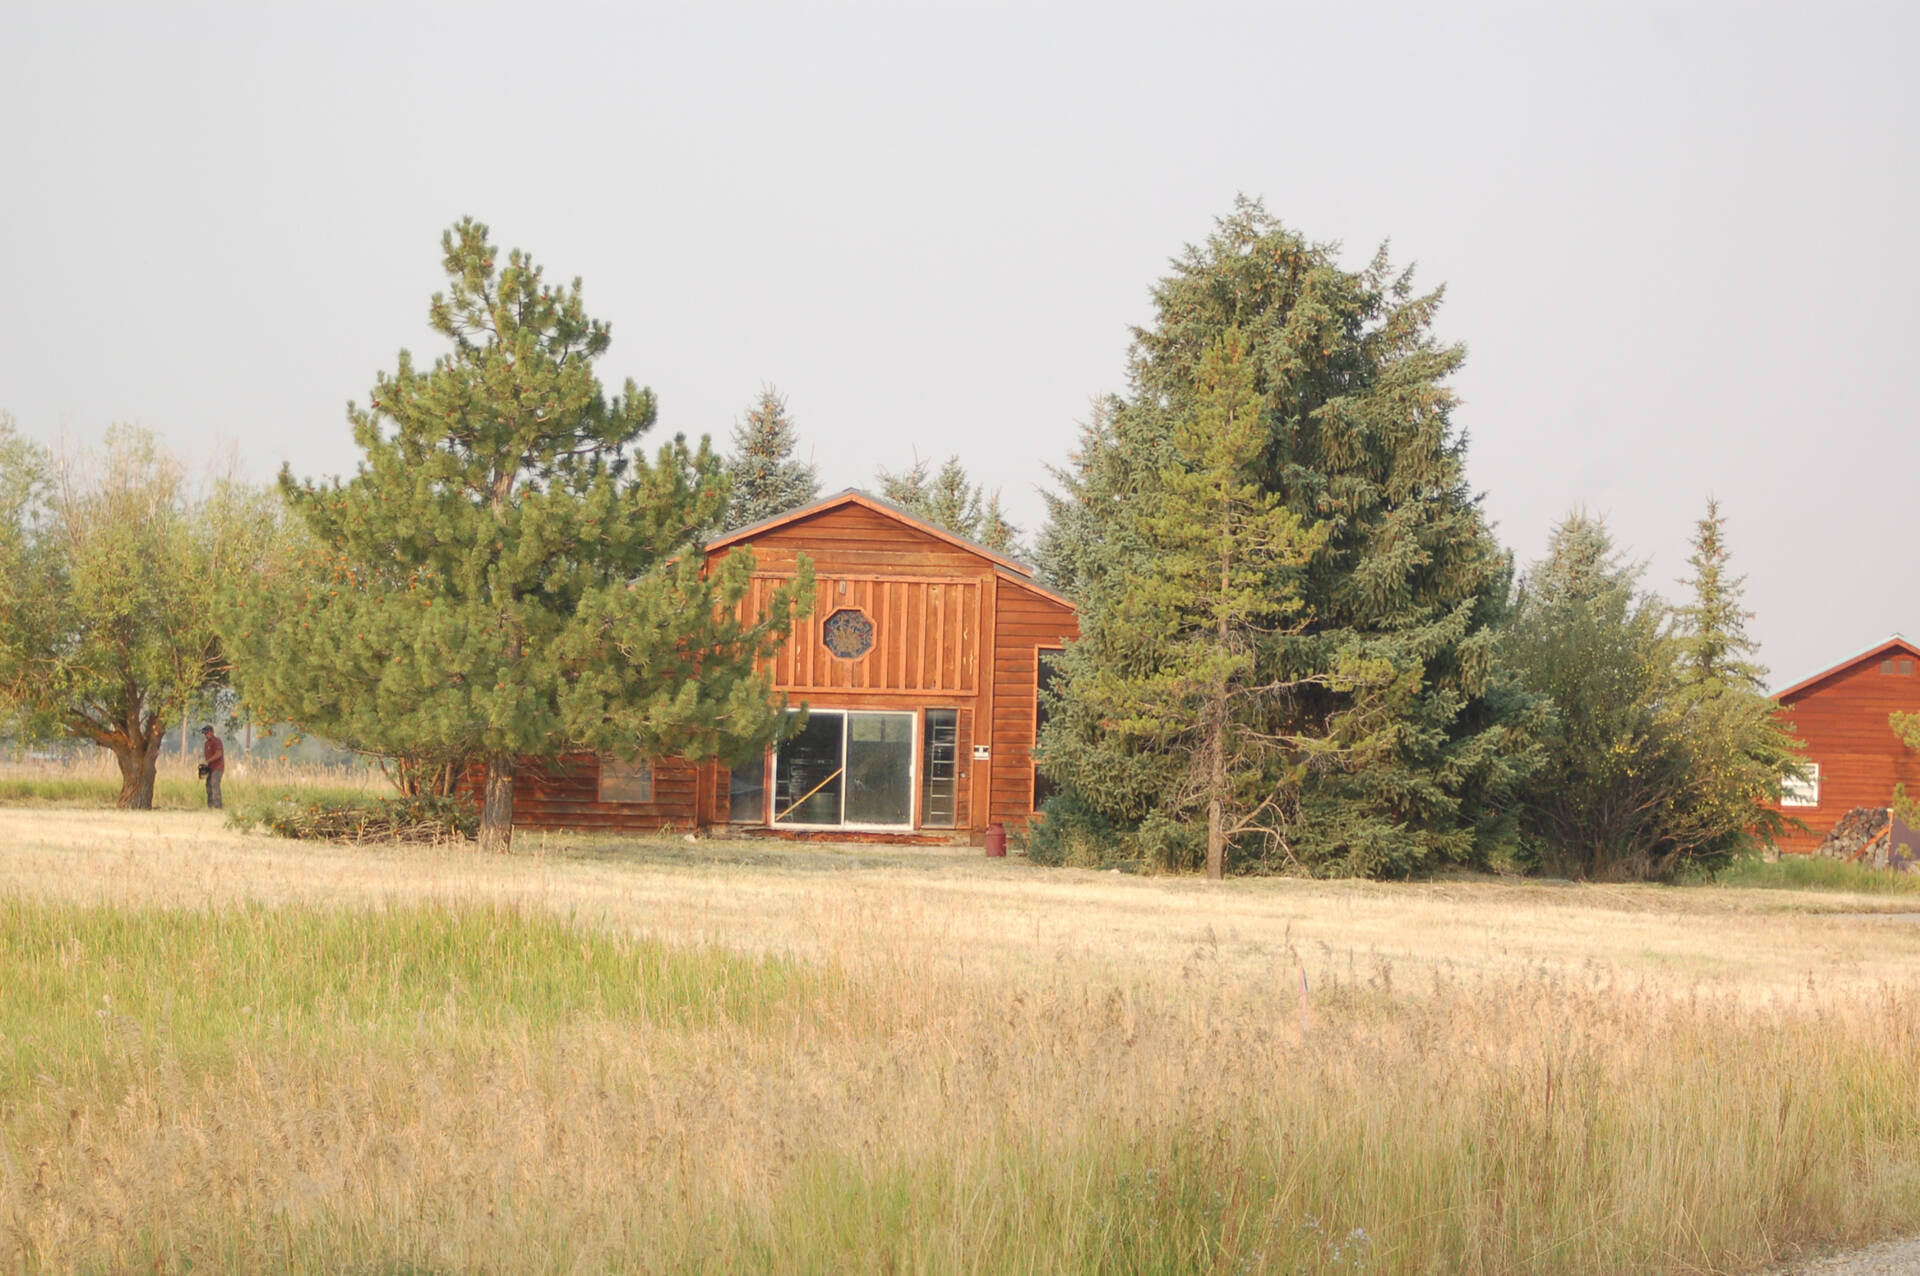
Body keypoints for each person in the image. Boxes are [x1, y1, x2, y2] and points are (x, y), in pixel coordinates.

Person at [200, 725, 225, 810]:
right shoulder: (206, 744)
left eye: (207, 733)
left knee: (215, 784)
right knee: (208, 786)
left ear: (211, 732)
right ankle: (210, 806)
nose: (206, 735)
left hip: (218, 768)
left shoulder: (217, 741)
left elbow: (219, 754)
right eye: (205, 734)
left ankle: (218, 806)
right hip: (210, 768)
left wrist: (208, 761)